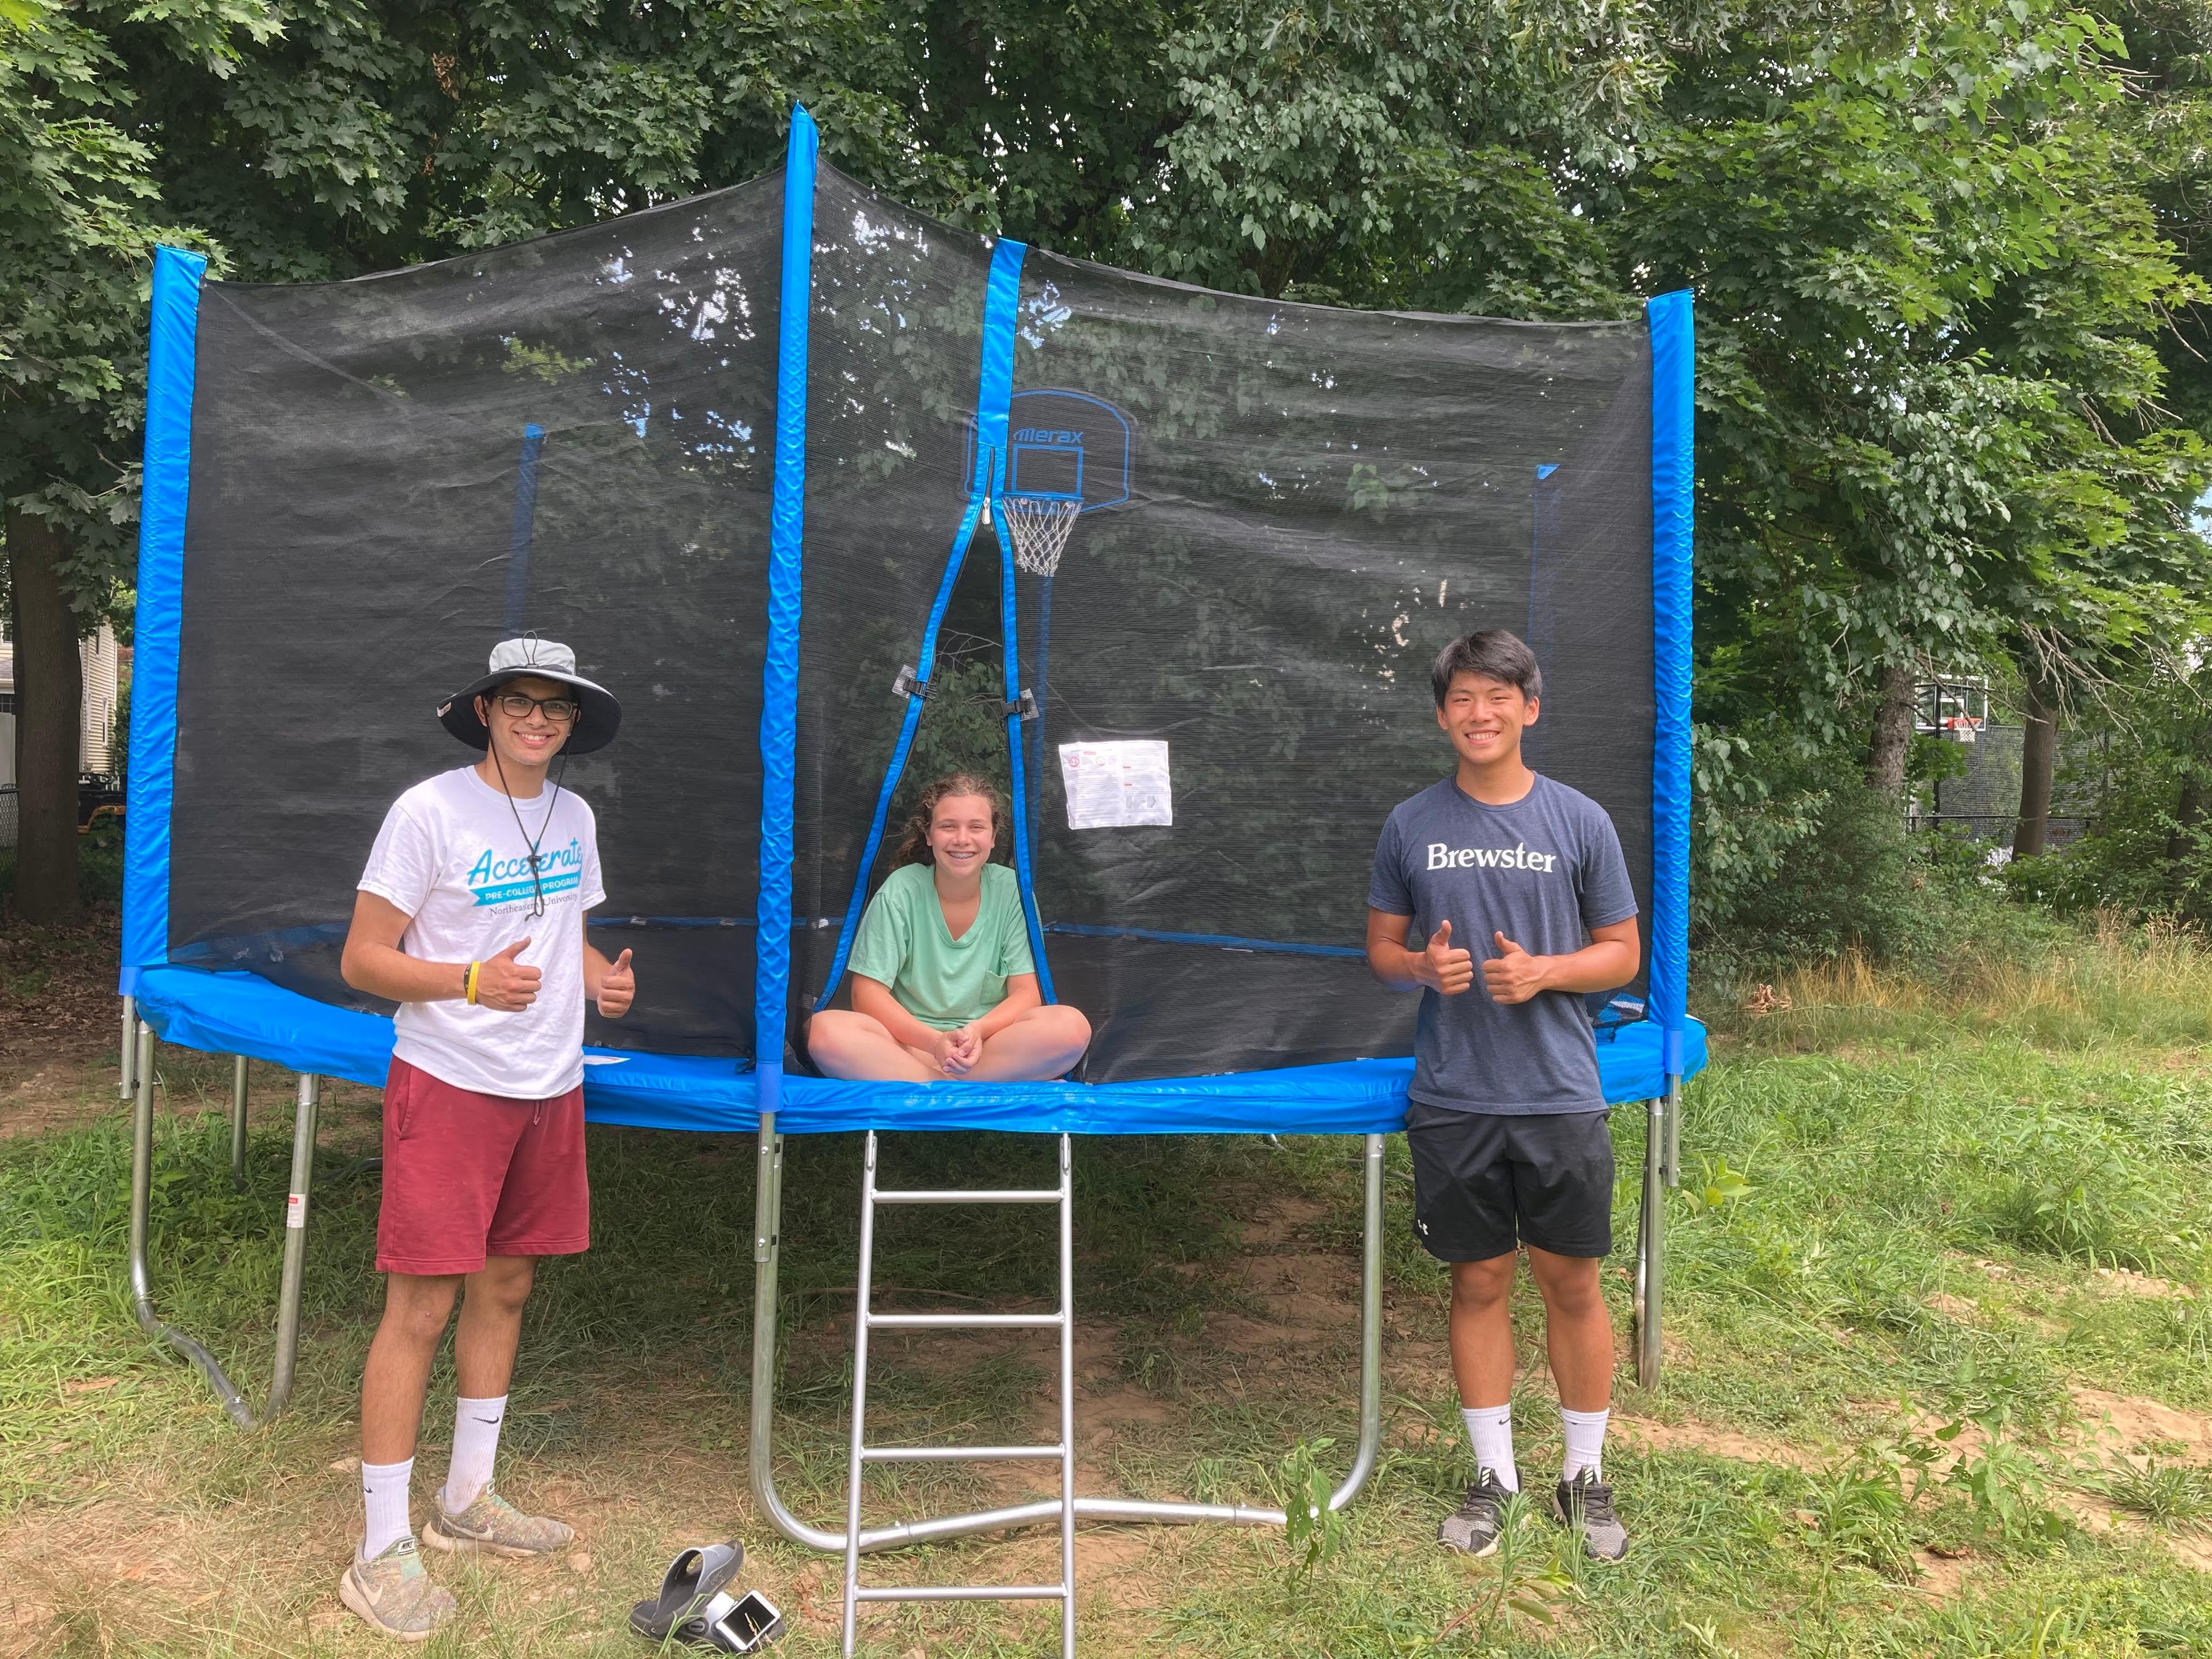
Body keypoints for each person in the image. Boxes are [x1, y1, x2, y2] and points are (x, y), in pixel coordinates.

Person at [335, 636, 637, 1639]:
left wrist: (600, 980)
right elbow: (364, 961)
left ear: (573, 722)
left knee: (507, 1286)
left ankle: (467, 1498)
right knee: (418, 1306)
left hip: (551, 1083)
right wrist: (467, 980)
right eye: (521, 703)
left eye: (556, 707)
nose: (539, 719)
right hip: (451, 1082)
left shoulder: (575, 814)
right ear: (486, 710)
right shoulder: (428, 812)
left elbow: (561, 930)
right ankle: (380, 1552)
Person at [1366, 628, 1641, 1563]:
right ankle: (1495, 1479)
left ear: (1531, 707)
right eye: (1461, 700)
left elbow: (1623, 952)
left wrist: (1549, 973)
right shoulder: (1410, 823)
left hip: (1561, 1094)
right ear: (1443, 715)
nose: (1479, 714)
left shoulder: (1580, 821)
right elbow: (1382, 950)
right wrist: (1421, 967)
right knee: (1477, 1282)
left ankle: (1583, 1478)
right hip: (1453, 1099)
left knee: (1572, 1283)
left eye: (1498, 697)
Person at [808, 772, 1091, 1082]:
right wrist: (934, 1043)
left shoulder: (1013, 890)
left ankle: (925, 1083)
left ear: (993, 836)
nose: (962, 839)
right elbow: (866, 995)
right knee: (826, 1033)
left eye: (976, 827)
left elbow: (1026, 992)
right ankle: (960, 1084)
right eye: (948, 826)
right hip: (910, 1045)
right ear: (929, 835)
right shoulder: (901, 889)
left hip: (987, 1044)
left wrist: (978, 1032)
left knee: (1071, 1028)